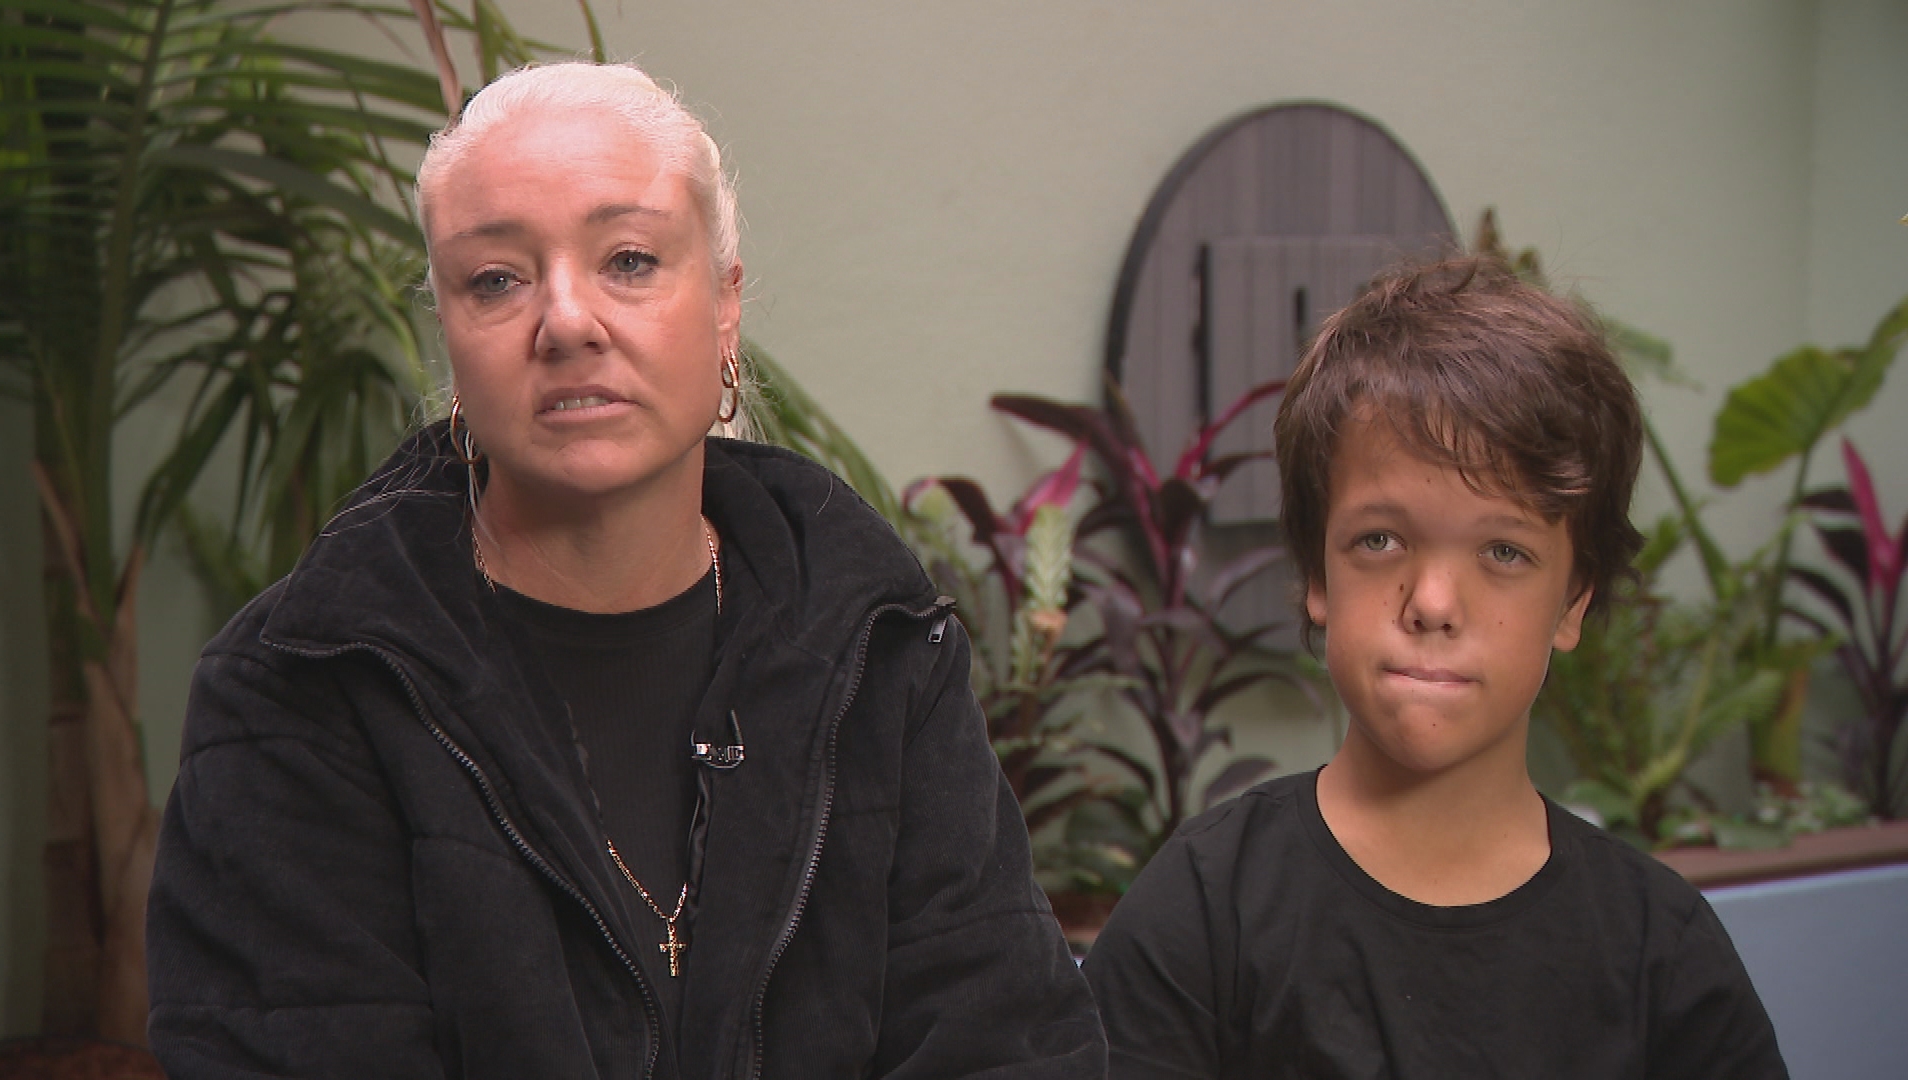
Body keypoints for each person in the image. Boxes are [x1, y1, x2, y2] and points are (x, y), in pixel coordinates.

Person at [146, 61, 1105, 1079]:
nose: (567, 320)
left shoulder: (883, 651)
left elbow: (1006, 1044)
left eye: (631, 260)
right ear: (453, 345)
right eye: (496, 280)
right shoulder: (300, 689)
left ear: (725, 309)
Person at [1081, 256, 1788, 1078]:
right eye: (1380, 540)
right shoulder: (1204, 910)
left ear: (1573, 604)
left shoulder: (1659, 950)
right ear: (1317, 573)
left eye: (1504, 551)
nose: (1434, 601)